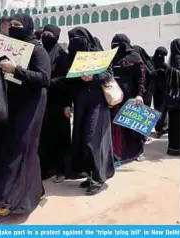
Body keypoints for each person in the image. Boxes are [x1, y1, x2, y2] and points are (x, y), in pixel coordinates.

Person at [0, 13, 51, 224]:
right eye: (10, 25)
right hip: (15, 104)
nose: (12, 27)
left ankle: (6, 204)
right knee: (21, 149)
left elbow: (44, 79)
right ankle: (31, 194)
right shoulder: (11, 48)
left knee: (18, 150)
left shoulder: (37, 50)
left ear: (28, 26)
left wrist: (16, 69)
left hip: (31, 105)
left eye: (17, 24)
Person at [63, 27, 115, 195]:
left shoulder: (97, 53)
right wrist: (66, 103)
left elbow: (109, 74)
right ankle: (90, 174)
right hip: (80, 103)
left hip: (97, 102)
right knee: (82, 138)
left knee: (93, 138)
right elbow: (68, 83)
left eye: (78, 38)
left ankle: (99, 178)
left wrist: (93, 77)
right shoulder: (72, 56)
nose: (74, 42)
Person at [38, 24, 70, 182]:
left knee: (60, 136)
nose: (45, 36)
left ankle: (61, 169)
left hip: (59, 100)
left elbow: (67, 79)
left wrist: (48, 82)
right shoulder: (41, 52)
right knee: (45, 136)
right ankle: (47, 168)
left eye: (49, 34)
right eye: (43, 33)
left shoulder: (61, 55)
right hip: (44, 101)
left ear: (56, 36)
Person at [111, 34, 146, 163]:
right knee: (117, 128)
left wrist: (140, 94)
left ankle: (138, 152)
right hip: (115, 98)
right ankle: (118, 154)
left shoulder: (134, 57)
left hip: (131, 97)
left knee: (133, 127)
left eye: (117, 44)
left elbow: (141, 78)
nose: (114, 47)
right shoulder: (112, 57)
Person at [161, 38, 180, 156]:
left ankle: (174, 148)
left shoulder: (176, 59)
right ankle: (176, 148)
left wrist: (166, 68)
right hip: (179, 98)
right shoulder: (179, 59)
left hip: (175, 98)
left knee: (175, 125)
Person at [152, 46, 169, 137]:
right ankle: (160, 128)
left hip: (161, 91)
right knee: (159, 110)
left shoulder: (164, 66)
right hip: (156, 90)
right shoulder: (152, 63)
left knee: (160, 109)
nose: (161, 57)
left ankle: (160, 128)